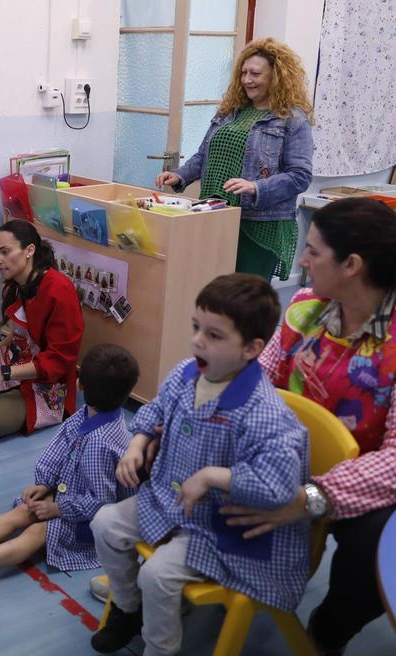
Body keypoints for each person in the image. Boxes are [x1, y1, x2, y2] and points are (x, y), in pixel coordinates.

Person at [220, 197, 396, 654]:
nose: (302, 261)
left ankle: (331, 627)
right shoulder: (309, 306)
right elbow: (260, 380)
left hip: (371, 481)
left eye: (312, 251)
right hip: (291, 455)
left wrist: (311, 497)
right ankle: (194, 567)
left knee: (378, 545)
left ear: (351, 264)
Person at [90, 274, 309, 655]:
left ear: (252, 349)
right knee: (104, 523)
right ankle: (128, 610)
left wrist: (213, 476)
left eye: (214, 335)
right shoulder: (187, 372)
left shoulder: (265, 411)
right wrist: (137, 443)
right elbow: (155, 408)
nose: (197, 340)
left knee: (157, 576)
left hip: (216, 526)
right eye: (196, 327)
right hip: (167, 500)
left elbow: (278, 486)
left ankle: (160, 649)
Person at [0, 344, 138, 590]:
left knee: (39, 530)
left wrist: (58, 508)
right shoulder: (85, 416)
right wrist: (44, 484)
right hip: (71, 496)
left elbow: (101, 503)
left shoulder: (100, 444)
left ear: (80, 384)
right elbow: (57, 454)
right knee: (24, 511)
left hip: (94, 524)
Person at [156, 38, 314, 281]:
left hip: (259, 224)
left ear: (277, 76)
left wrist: (255, 187)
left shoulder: (292, 119)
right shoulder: (230, 112)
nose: (247, 80)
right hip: (217, 216)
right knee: (214, 290)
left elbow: (300, 176)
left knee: (245, 297)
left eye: (255, 73)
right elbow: (204, 156)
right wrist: (181, 174)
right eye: (243, 73)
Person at [0, 220, 84, 437]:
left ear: (29, 250)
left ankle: (7, 394)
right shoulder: (16, 282)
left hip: (49, 380)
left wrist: (2, 374)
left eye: (5, 252)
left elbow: (58, 361)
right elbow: (18, 336)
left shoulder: (60, 289)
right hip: (18, 357)